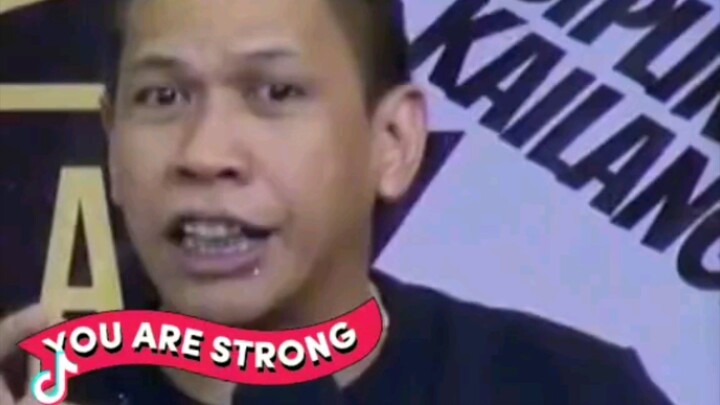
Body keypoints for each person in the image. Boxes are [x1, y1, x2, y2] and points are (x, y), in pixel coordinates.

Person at [0, 0, 675, 404]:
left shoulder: (568, 388)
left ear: (393, 142)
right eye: (163, 96)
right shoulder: (43, 388)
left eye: (275, 92)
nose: (203, 152)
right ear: (113, 146)